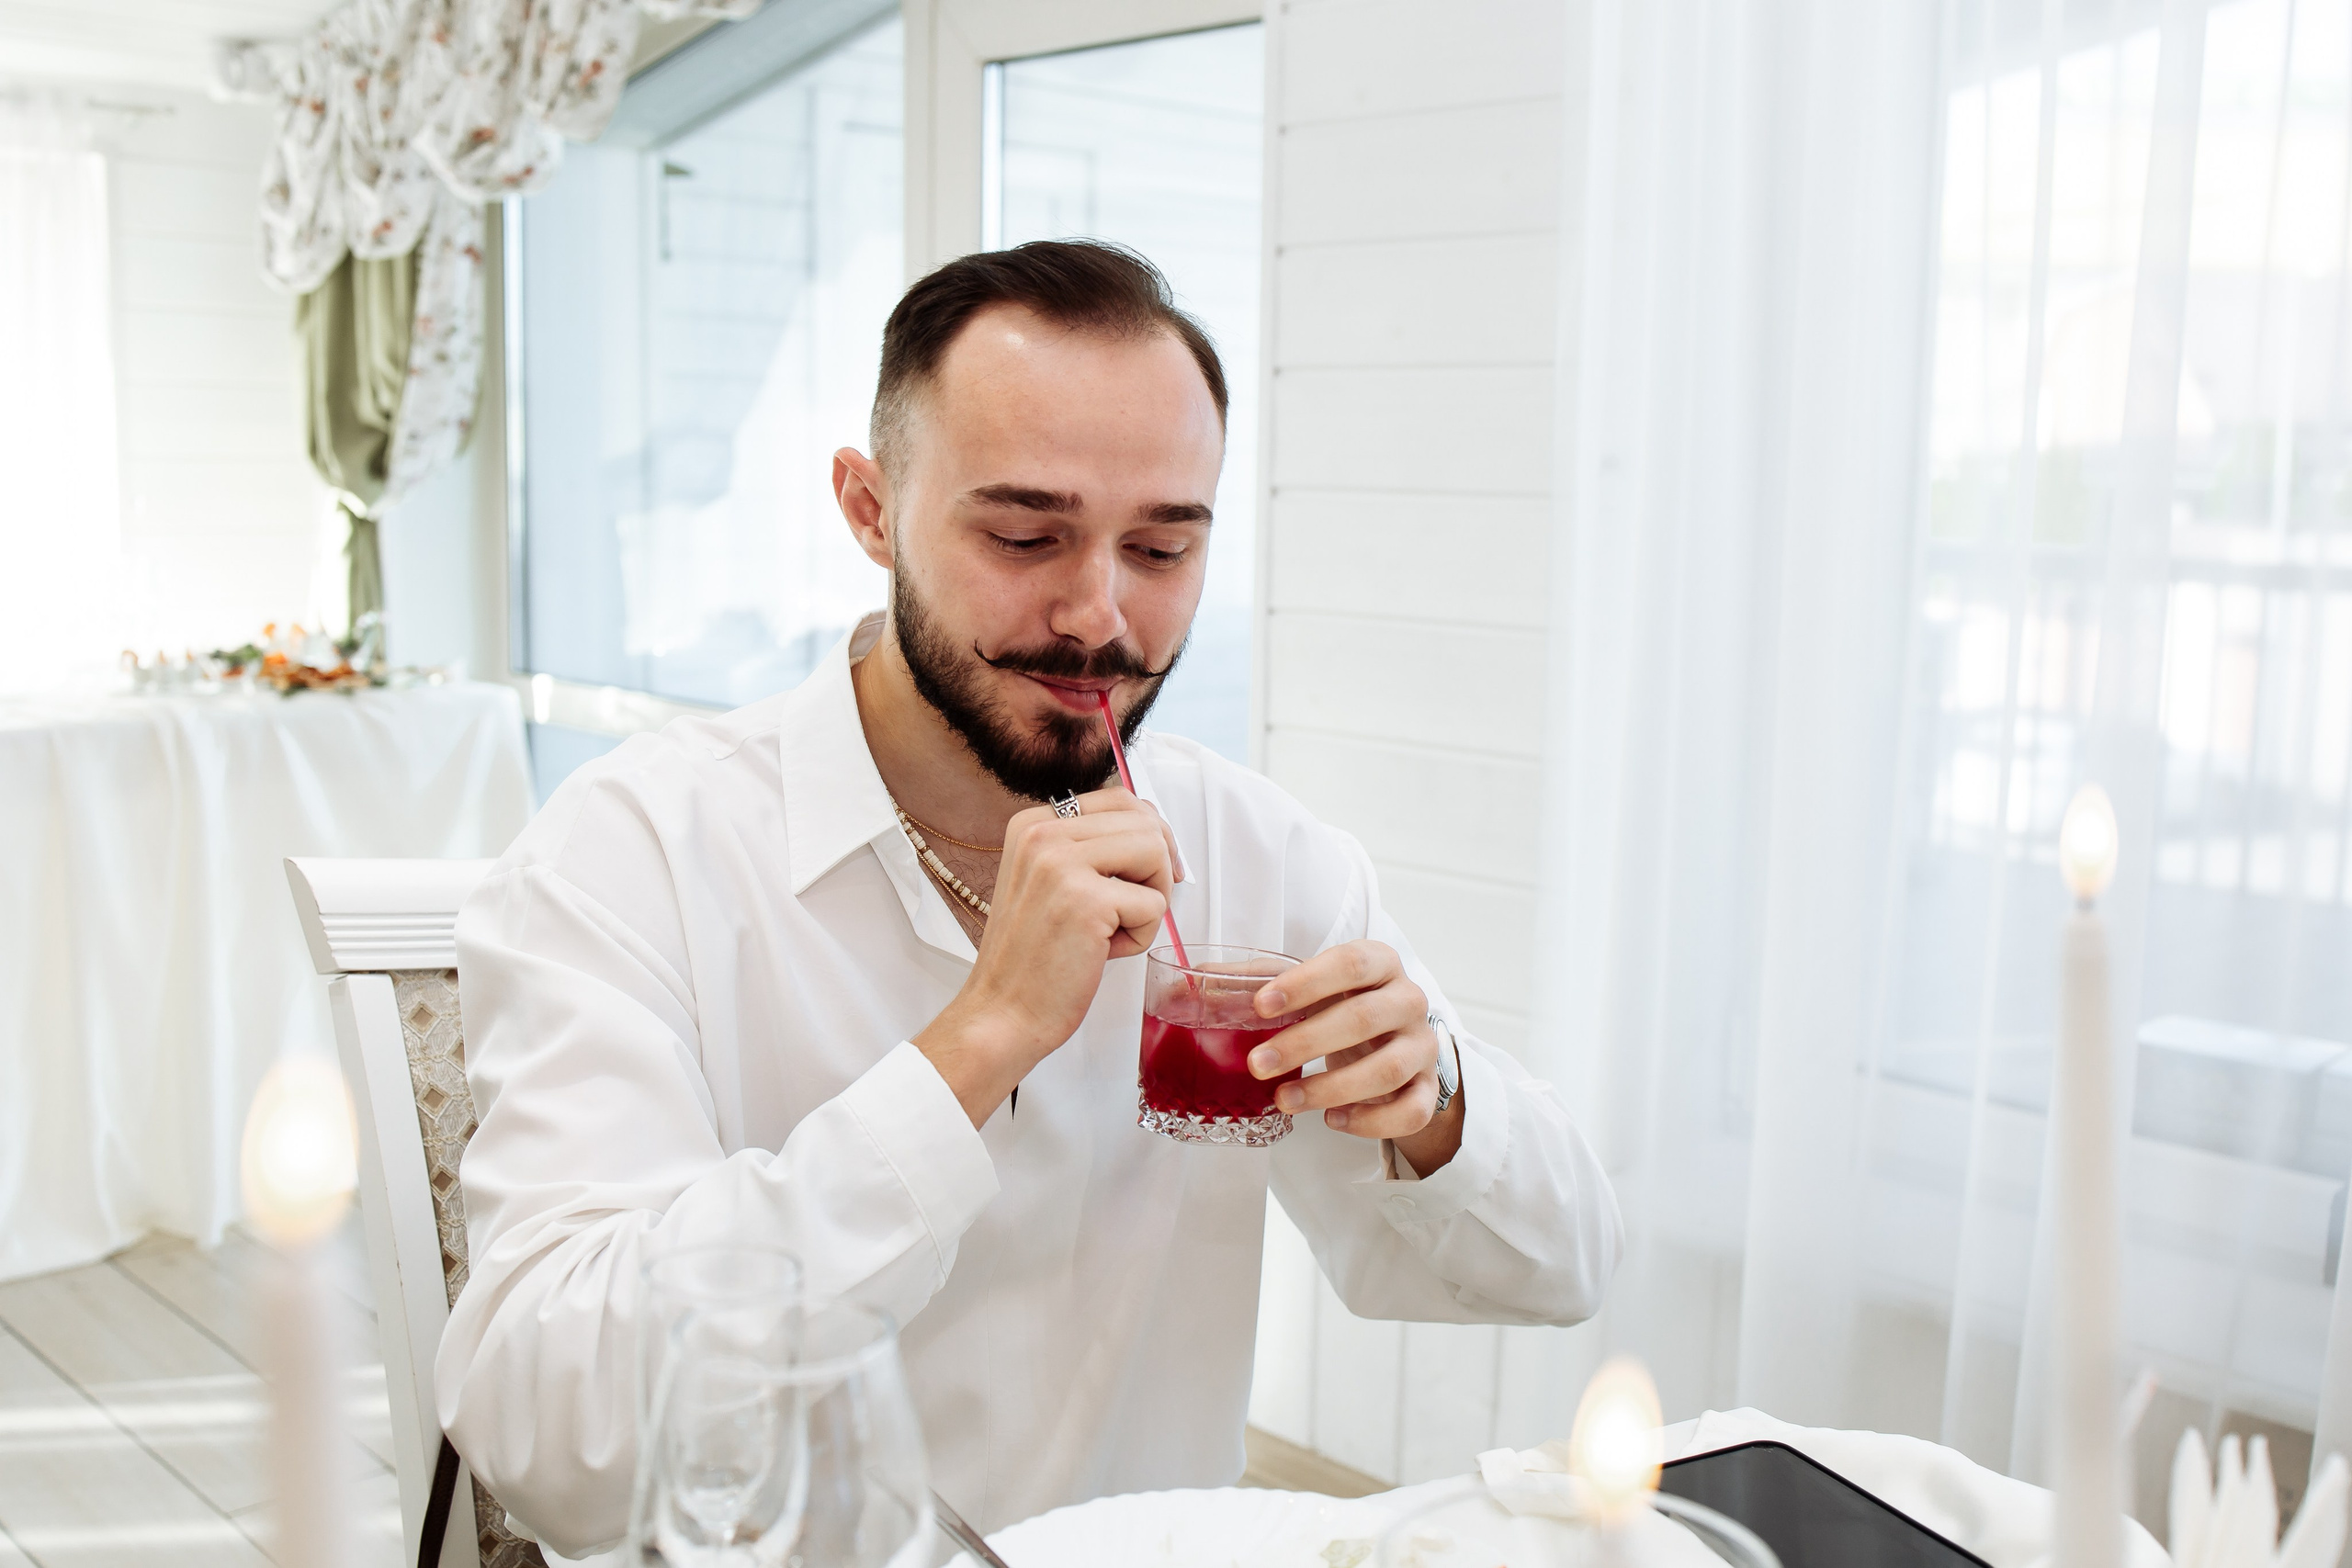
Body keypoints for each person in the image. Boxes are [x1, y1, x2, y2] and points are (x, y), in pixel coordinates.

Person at [440, 240, 1621, 1556]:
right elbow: (549, 1436)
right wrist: (976, 1039)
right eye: (1024, 535)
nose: (1097, 615)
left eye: (1163, 547)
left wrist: (1439, 1101)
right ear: (869, 508)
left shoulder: (1252, 855)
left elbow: (1562, 1265)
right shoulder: (633, 852)